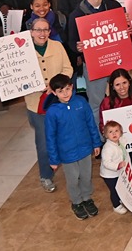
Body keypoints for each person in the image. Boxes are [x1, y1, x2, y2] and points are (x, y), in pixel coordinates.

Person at [19, 16, 73, 193]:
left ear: (50, 32)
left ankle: (71, 168)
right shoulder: (21, 50)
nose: (42, 33)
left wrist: (55, 85)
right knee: (43, 143)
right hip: (36, 105)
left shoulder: (57, 47)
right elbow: (13, 74)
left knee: (65, 137)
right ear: (31, 32)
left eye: (45, 30)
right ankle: (46, 176)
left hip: (58, 101)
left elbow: (68, 69)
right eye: (38, 30)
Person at [64, 0, 123, 129]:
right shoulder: (76, 14)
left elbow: (124, 31)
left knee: (121, 97)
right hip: (92, 64)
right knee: (95, 103)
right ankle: (99, 140)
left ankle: (124, 135)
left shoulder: (114, 6)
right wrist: (77, 47)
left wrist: (127, 29)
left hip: (115, 59)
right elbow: (71, 42)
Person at [44, 73, 101, 220]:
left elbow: (91, 124)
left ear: (72, 87)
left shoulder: (81, 102)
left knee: (86, 176)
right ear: (54, 93)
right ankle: (76, 202)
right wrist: (54, 159)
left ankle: (87, 198)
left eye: (67, 89)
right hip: (67, 154)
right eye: (60, 91)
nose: (65, 94)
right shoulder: (52, 112)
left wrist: (96, 143)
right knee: (73, 179)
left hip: (85, 149)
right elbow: (50, 137)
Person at [99, 121, 128, 214]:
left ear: (121, 132)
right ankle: (116, 206)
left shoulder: (121, 141)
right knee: (114, 189)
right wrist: (117, 166)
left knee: (120, 186)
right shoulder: (108, 148)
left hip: (118, 172)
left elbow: (128, 142)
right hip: (109, 175)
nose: (114, 133)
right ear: (106, 135)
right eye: (110, 132)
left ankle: (120, 199)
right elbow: (106, 163)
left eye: (116, 131)